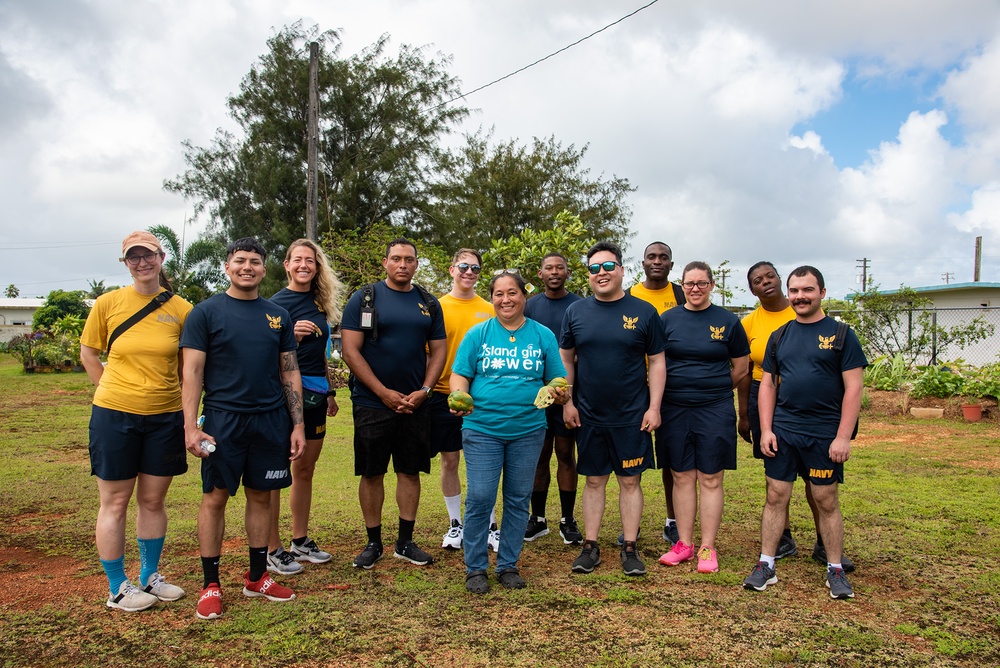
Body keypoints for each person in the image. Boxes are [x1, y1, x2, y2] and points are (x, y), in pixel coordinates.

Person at [180, 237, 307, 620]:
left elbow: (289, 370)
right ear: (227, 266)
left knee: (262, 497)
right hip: (223, 420)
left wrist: (297, 424)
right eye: (240, 261)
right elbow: (193, 372)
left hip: (271, 421)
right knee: (215, 498)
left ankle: (257, 577)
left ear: (264, 269)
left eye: (254, 261)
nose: (247, 267)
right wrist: (190, 427)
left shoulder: (277, 315)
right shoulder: (205, 313)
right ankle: (210, 585)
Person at [80, 231, 193, 612]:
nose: (142, 263)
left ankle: (149, 576)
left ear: (162, 258)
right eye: (134, 257)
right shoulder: (108, 303)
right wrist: (109, 391)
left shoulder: (182, 309)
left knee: (152, 499)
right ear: (125, 263)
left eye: (149, 256)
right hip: (114, 415)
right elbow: (88, 352)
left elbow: (187, 368)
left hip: (164, 416)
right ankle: (117, 587)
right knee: (114, 502)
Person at [743, 266, 866, 599]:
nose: (800, 296)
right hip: (784, 431)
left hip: (824, 434)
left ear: (822, 293)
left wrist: (842, 437)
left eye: (807, 290)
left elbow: (854, 389)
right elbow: (767, 383)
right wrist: (766, 429)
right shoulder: (780, 335)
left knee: (825, 499)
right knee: (775, 495)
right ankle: (766, 564)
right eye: (794, 290)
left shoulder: (842, 335)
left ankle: (835, 569)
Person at [450, 270, 569, 593]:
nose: (506, 299)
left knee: (518, 499)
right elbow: (460, 376)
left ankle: (508, 565)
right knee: (481, 496)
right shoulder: (478, 334)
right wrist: (459, 398)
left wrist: (561, 394)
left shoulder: (542, 335)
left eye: (512, 293)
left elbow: (558, 379)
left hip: (528, 429)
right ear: (492, 298)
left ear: (523, 296)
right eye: (499, 294)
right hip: (482, 428)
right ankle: (475, 567)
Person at [561, 241, 666, 577]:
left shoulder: (645, 312)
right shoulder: (575, 312)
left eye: (608, 267)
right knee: (594, 481)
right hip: (589, 414)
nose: (601, 273)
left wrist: (654, 407)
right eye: (594, 268)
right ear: (588, 275)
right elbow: (566, 360)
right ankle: (590, 546)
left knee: (630, 481)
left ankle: (630, 548)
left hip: (632, 415)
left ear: (621, 270)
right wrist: (569, 401)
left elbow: (658, 362)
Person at [341, 238, 447, 570]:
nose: (403, 265)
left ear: (417, 264)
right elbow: (350, 351)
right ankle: (373, 542)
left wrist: (425, 390)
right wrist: (382, 391)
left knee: (409, 470)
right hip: (372, 402)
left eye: (409, 260)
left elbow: (439, 350)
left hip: (414, 403)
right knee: (372, 472)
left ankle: (405, 541)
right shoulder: (365, 298)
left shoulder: (428, 302)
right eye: (396, 259)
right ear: (385, 262)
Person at [656, 262, 749, 574]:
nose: (695, 289)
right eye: (689, 283)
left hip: (715, 409)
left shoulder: (727, 321)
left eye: (702, 283)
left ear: (712, 285)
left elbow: (741, 367)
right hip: (674, 408)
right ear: (681, 285)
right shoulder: (667, 320)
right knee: (681, 475)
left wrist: (713, 391)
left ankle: (707, 546)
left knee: (710, 477)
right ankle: (684, 543)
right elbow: (656, 363)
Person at [265, 239, 345, 575]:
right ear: (286, 265)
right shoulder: (274, 305)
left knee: (305, 470)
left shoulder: (320, 303)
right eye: (297, 260)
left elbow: (322, 353)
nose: (303, 266)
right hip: (283, 396)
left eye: (309, 261)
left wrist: (329, 391)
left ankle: (300, 540)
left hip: (315, 392)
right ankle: (271, 548)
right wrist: (291, 339)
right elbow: (263, 357)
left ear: (317, 266)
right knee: (274, 472)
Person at [430, 249, 495, 551]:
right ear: (451, 269)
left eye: (476, 268)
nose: (470, 272)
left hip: (483, 396)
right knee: (450, 459)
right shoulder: (436, 307)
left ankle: (491, 525)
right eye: (464, 267)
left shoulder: (490, 308)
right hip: (444, 393)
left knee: (485, 462)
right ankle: (456, 523)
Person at [626, 241, 686, 547]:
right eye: (652, 256)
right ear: (643, 262)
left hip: (670, 387)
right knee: (629, 460)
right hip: (634, 388)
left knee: (671, 458)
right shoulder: (630, 295)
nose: (658, 261)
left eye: (664, 257)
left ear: (671, 265)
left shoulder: (680, 294)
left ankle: (672, 519)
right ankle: (629, 524)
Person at [523, 252, 584, 545]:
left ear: (568, 273)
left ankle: (568, 519)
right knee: (539, 456)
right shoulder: (530, 306)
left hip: (569, 392)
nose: (555, 272)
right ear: (540, 274)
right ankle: (537, 519)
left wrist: (567, 392)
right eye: (549, 268)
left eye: (560, 267)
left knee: (565, 454)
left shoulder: (580, 305)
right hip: (537, 393)